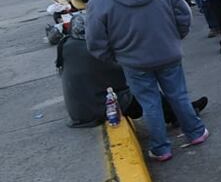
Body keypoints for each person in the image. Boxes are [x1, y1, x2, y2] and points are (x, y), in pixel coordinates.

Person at [85, 0, 208, 162]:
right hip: (168, 52)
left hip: (133, 60)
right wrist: (175, 38)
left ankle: (161, 148)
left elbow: (95, 39)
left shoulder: (100, 0)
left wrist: (113, 57)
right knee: (178, 94)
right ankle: (195, 132)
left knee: (150, 103)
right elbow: (184, 15)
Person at [58, 13, 207, 128]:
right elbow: (122, 71)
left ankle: (182, 111)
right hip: (96, 107)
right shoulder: (91, 50)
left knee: (140, 90)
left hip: (79, 109)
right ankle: (181, 115)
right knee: (143, 90)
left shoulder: (67, 45)